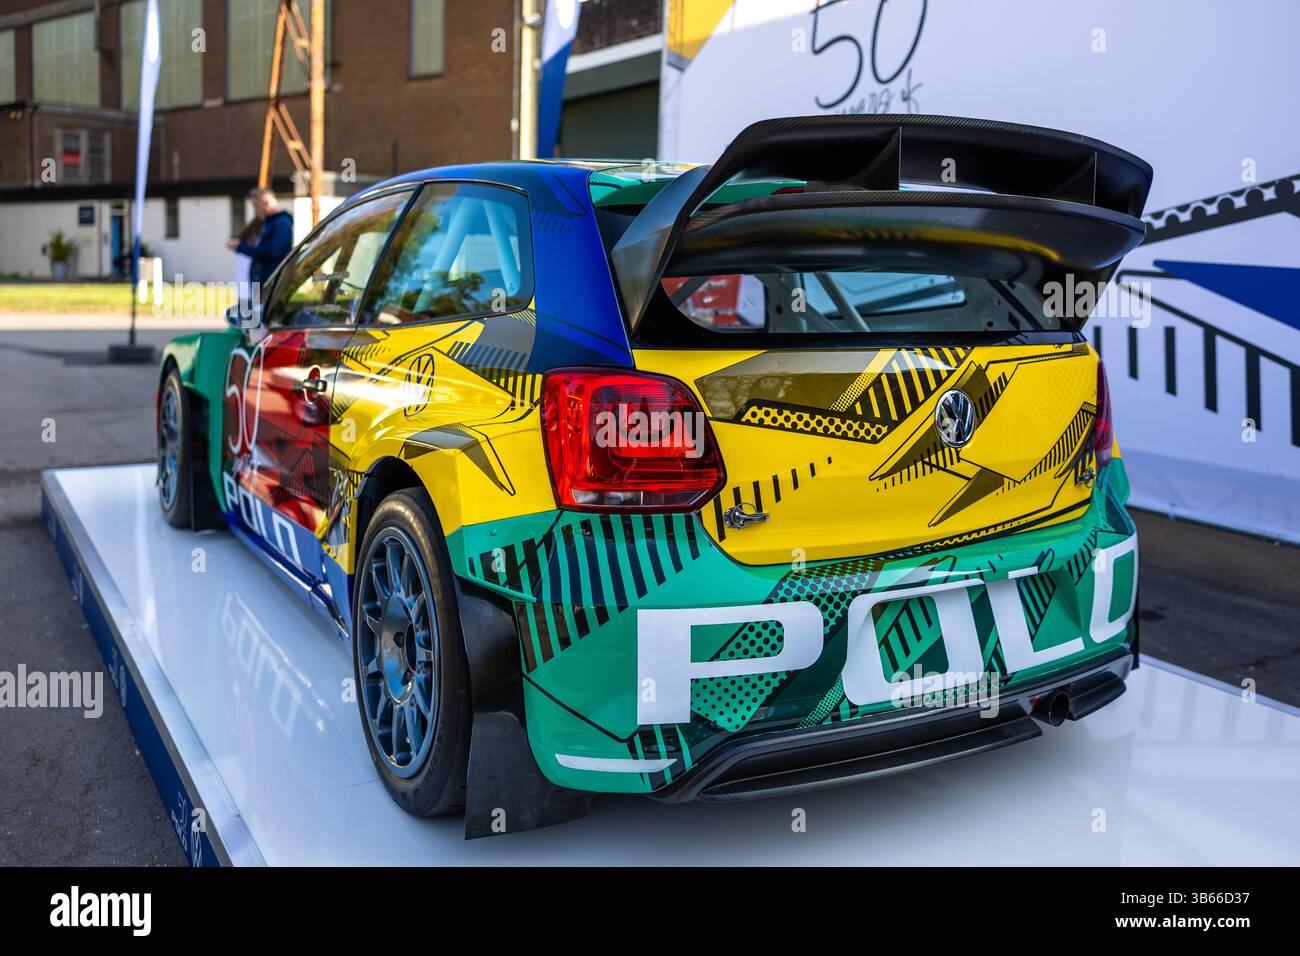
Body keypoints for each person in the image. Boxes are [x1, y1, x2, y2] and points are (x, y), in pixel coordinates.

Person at [227, 188, 293, 294]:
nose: (255, 211)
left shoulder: (281, 224)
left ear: (266, 202)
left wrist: (241, 247)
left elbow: (271, 252)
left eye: (255, 206)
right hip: (262, 283)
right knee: (246, 309)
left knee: (251, 309)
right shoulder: (270, 223)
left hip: (271, 284)